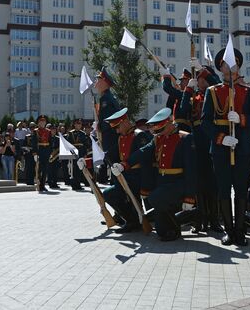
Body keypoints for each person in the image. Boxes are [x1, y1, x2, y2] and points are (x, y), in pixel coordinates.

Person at [202, 47, 250, 246]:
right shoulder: (212, 92)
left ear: (238, 68)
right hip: (221, 149)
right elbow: (205, 122)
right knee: (223, 190)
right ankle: (229, 231)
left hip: (242, 146)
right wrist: (221, 138)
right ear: (221, 68)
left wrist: (242, 118)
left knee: (240, 189)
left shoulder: (247, 92)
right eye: (226, 65)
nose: (230, 69)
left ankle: (240, 231)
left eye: (234, 65)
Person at [124, 108, 197, 241]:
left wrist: (189, 196)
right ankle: (176, 225)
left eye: (160, 130)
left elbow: (191, 168)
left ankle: (175, 228)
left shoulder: (185, 138)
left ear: (169, 123)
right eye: (156, 131)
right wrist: (125, 164)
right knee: (161, 230)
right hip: (162, 181)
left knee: (155, 198)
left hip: (178, 181)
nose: (158, 133)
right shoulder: (158, 139)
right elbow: (143, 151)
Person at [93, 108, 152, 233]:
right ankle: (131, 219)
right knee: (109, 193)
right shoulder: (122, 137)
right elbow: (108, 155)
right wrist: (89, 160)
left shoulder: (139, 135)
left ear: (125, 122)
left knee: (128, 197)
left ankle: (135, 220)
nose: (117, 130)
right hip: (125, 176)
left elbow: (144, 158)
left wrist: (146, 184)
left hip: (138, 176)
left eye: (117, 127)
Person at [180, 66, 223, 233]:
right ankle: (199, 220)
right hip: (197, 140)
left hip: (212, 138)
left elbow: (218, 84)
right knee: (198, 183)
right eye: (199, 78)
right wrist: (188, 89)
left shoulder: (215, 93)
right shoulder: (193, 96)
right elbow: (183, 110)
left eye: (204, 78)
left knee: (213, 183)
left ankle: (214, 220)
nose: (201, 80)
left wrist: (204, 71)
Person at [66, 118, 89, 191]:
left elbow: (85, 145)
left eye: (80, 124)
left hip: (81, 152)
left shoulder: (83, 133)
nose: (78, 125)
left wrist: (85, 154)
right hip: (74, 152)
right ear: (74, 125)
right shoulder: (71, 133)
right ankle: (74, 184)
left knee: (80, 169)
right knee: (73, 169)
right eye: (77, 124)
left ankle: (78, 184)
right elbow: (68, 143)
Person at [31, 115, 52, 192]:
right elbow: (33, 143)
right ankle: (39, 184)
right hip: (39, 151)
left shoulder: (48, 131)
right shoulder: (35, 131)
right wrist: (35, 153)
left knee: (45, 169)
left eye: (44, 121)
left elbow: (50, 143)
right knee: (39, 169)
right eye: (41, 121)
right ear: (38, 123)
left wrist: (50, 153)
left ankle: (43, 185)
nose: (43, 123)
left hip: (46, 151)